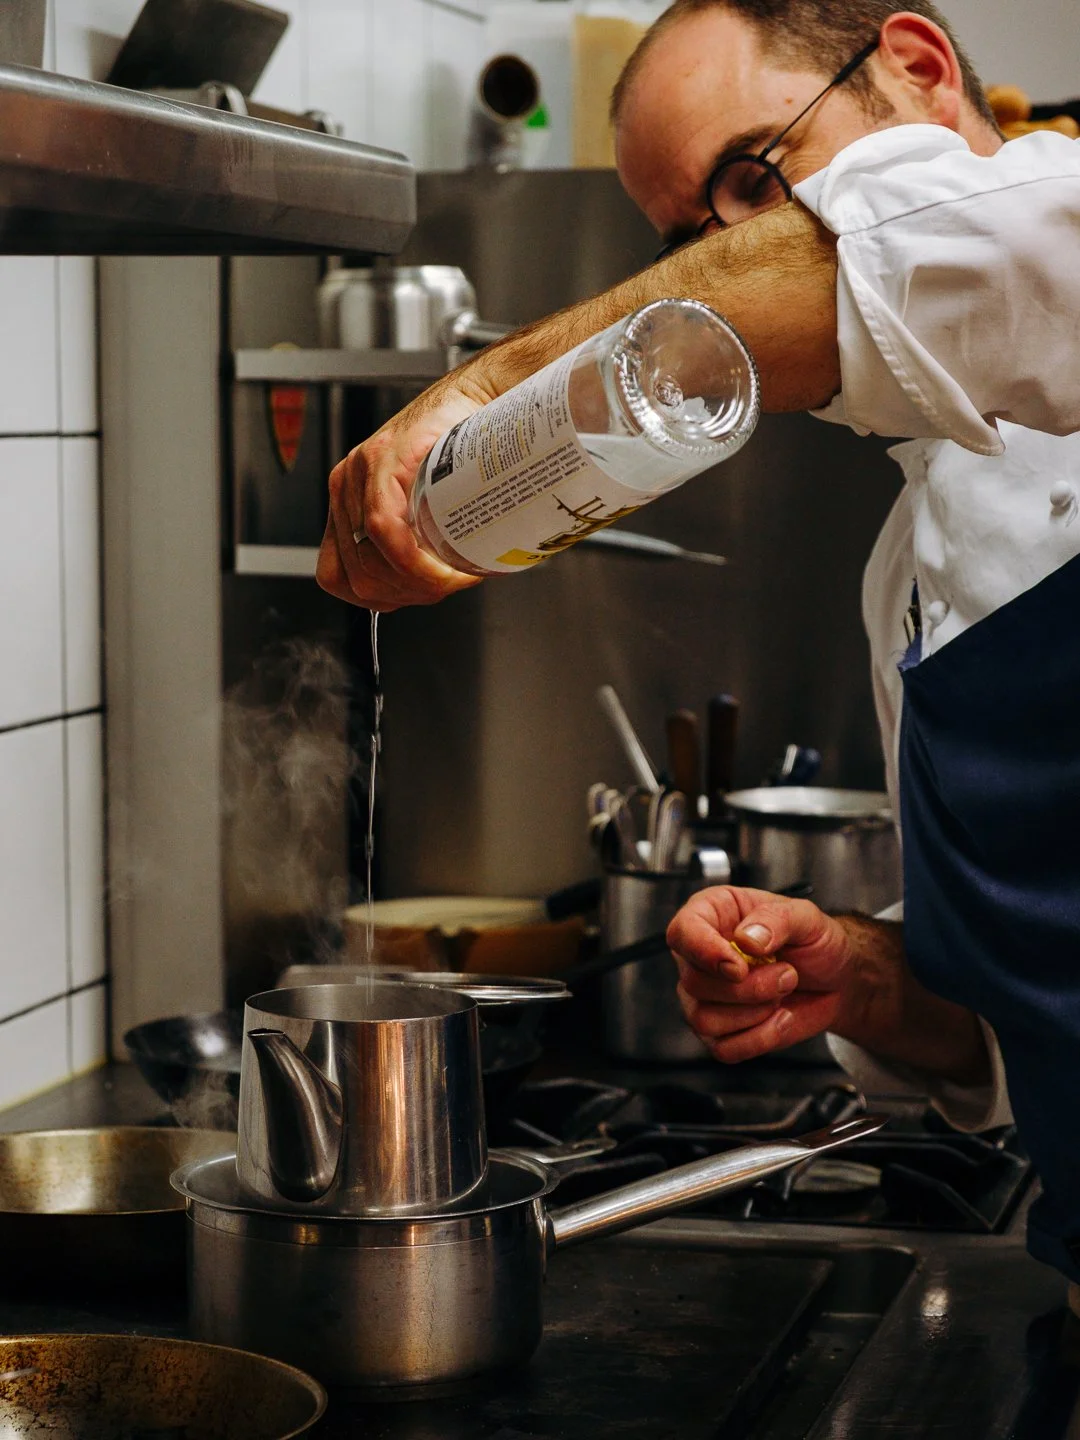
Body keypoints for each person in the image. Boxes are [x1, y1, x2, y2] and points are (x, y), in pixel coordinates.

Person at [317, 2, 1080, 1283]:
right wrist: (877, 981)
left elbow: (911, 246)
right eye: (685, 242)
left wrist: (484, 391)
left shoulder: (1058, 217)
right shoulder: (908, 572)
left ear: (919, 69)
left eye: (754, 181)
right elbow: (1032, 1038)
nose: (730, 259)